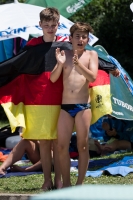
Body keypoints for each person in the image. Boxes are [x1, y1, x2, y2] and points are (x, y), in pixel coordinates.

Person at [25, 7, 69, 191]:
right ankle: (46, 180)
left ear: (59, 24)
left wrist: (109, 66)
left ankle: (58, 180)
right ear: (40, 25)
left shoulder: (66, 43)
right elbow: (18, 66)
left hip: (61, 97)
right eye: (47, 25)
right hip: (39, 98)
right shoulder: (32, 45)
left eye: (54, 25)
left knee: (59, 142)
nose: (51, 28)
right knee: (44, 141)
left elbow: (87, 58)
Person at [50, 22, 98, 187]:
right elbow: (53, 78)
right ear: (70, 38)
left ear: (87, 39)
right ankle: (67, 184)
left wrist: (79, 65)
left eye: (84, 37)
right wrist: (61, 64)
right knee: (62, 146)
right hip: (66, 106)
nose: (80, 39)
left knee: (82, 146)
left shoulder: (92, 55)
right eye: (77, 36)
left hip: (83, 106)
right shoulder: (65, 54)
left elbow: (92, 78)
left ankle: (79, 184)